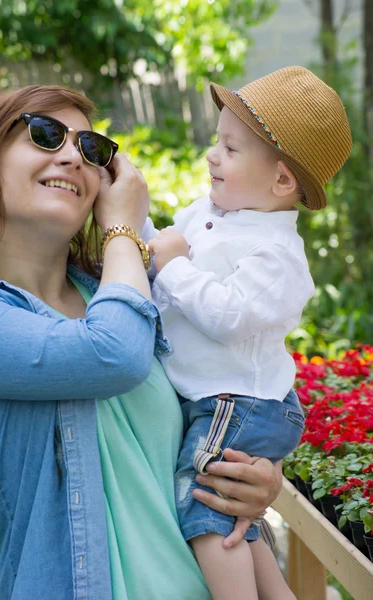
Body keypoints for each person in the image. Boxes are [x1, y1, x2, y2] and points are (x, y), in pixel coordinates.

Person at [0, 84, 282, 600]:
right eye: (46, 135)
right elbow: (112, 354)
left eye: (91, 149)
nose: (73, 156)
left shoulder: (124, 292)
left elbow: (232, 391)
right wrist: (122, 226)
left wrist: (261, 474)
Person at [148, 66, 352, 600]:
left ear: (283, 181)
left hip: (241, 403)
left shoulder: (277, 254)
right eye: (218, 142)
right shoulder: (209, 213)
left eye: (231, 149)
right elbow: (159, 248)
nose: (212, 155)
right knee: (241, 517)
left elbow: (228, 314)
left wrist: (172, 267)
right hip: (222, 400)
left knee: (206, 501)